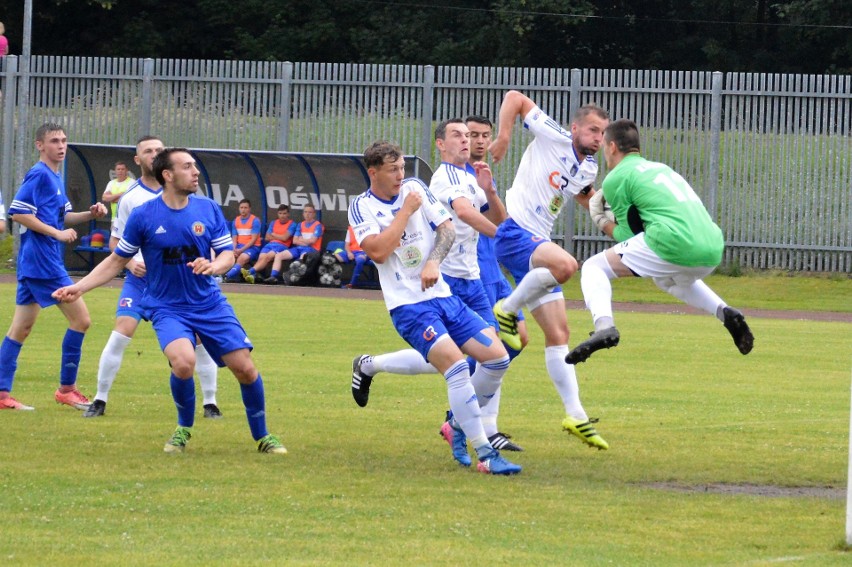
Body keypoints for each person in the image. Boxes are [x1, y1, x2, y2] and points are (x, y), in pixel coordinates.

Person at [53, 148, 287, 454]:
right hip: (167, 307)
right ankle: (183, 429)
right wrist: (79, 288)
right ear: (168, 175)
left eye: (194, 166)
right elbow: (115, 261)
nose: (196, 172)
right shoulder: (144, 216)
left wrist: (215, 266)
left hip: (209, 304)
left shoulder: (207, 208)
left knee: (245, 369)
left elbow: (228, 254)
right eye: (187, 167)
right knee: (183, 362)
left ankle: (263, 436)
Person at [348, 140, 520, 475]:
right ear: (373, 172)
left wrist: (434, 263)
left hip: (443, 296)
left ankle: (457, 423)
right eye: (392, 169)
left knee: (498, 357)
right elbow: (379, 252)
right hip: (409, 307)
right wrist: (405, 212)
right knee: (455, 367)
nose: (400, 175)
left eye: (401, 168)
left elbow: (447, 228)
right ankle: (486, 453)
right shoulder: (362, 206)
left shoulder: (415, 186)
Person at [566, 118, 754, 364]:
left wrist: (602, 222)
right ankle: (726, 312)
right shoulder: (662, 168)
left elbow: (630, 237)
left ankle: (604, 326)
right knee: (667, 280)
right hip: (712, 246)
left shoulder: (615, 178)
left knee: (593, 267)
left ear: (612, 147)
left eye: (605, 147)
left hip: (673, 241)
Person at [488, 90, 611, 450]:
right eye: (591, 130)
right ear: (574, 128)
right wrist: (504, 137)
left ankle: (575, 414)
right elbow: (514, 98)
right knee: (567, 265)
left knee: (559, 333)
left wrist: (615, 224)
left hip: (535, 242)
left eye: (602, 133)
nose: (597, 138)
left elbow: (586, 196)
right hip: (515, 234)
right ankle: (507, 309)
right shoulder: (553, 133)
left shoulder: (588, 167)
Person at [84, 136, 222, 419]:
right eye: (148, 151)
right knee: (122, 330)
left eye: (159, 150)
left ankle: (210, 402)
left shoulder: (186, 193)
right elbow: (117, 245)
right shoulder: (131, 199)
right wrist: (132, 263)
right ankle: (99, 399)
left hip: (179, 280)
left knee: (197, 338)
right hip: (141, 280)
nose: (154, 154)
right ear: (138, 160)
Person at [0, 122, 108, 411]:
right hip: (44, 263)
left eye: (63, 140)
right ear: (40, 145)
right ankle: (67, 389)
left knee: (20, 328)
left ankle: (1, 394)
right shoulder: (39, 174)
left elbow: (65, 217)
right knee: (81, 320)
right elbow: (18, 213)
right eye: (53, 141)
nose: (61, 146)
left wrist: (90, 213)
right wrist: (56, 233)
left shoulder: (56, 176)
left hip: (36, 263)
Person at [264, 204, 323, 284]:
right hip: (299, 248)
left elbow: (312, 241)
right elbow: (295, 241)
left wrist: (301, 239)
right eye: (305, 212)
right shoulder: (300, 224)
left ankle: (292, 278)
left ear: (314, 214)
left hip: (312, 250)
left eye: (310, 212)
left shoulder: (318, 225)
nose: (307, 214)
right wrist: (305, 241)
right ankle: (273, 276)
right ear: (303, 213)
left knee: (302, 258)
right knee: (279, 255)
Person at [241, 204, 295, 284]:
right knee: (261, 258)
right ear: (277, 214)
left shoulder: (292, 224)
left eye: (284, 213)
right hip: (269, 245)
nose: (282, 216)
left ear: (288, 214)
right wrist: (277, 236)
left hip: (281, 246)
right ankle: (254, 276)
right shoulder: (273, 223)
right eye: (280, 213)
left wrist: (274, 234)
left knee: (267, 257)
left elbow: (285, 238)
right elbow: (267, 237)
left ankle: (250, 271)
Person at [223, 199, 262, 283]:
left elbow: (253, 240)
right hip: (239, 246)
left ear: (249, 209)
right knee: (227, 255)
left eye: (245, 208)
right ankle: (218, 275)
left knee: (242, 258)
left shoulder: (255, 221)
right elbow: (234, 238)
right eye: (241, 207)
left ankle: (227, 276)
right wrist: (234, 249)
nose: (243, 210)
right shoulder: (236, 221)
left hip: (252, 247)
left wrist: (241, 250)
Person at [101, 161, 134, 228]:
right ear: (115, 171)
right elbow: (104, 198)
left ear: (126, 170)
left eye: (122, 169)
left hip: (128, 218)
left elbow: (128, 199)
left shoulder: (132, 182)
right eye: (118, 169)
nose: (120, 171)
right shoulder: (111, 183)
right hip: (115, 218)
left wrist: (112, 198)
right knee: (114, 238)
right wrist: (120, 194)